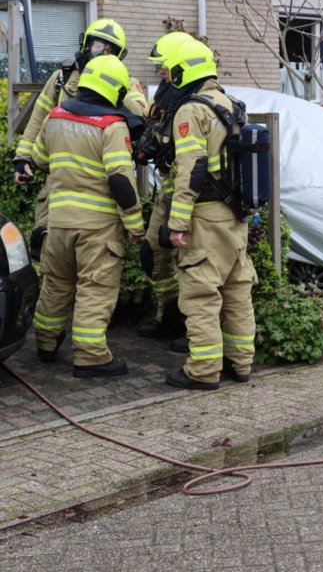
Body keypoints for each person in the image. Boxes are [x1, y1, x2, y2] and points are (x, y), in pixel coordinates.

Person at [29, 55, 146, 377]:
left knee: (56, 284)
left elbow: (39, 159)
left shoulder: (55, 115)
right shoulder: (111, 125)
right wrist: (135, 224)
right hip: (97, 227)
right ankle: (91, 356)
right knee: (95, 288)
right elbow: (121, 180)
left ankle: (46, 343)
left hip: (58, 221)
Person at [12, 19, 147, 274]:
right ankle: (44, 303)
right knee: (44, 245)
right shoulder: (61, 79)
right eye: (98, 46)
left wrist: (120, 91)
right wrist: (22, 159)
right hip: (59, 180)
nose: (102, 53)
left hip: (98, 182)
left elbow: (141, 112)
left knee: (92, 262)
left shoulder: (124, 81)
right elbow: (38, 119)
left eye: (110, 50)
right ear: (86, 44)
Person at [161, 39, 257, 391]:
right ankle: (241, 362)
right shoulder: (231, 105)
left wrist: (176, 222)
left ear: (181, 71)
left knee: (200, 294)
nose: (166, 77)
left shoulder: (192, 110)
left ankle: (202, 370)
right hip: (236, 215)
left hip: (205, 215)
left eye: (168, 70)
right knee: (236, 291)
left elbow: (192, 169)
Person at [134, 32, 195, 347]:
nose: (160, 71)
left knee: (194, 264)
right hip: (167, 190)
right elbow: (151, 127)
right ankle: (169, 317)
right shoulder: (166, 97)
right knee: (153, 253)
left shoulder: (195, 102)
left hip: (193, 196)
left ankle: (195, 328)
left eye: (164, 65)